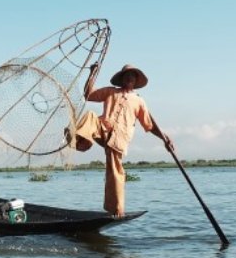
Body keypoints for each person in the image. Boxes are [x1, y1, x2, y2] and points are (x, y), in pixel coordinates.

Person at [67, 63, 172, 217]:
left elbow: (149, 125)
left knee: (115, 172)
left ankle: (117, 209)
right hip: (103, 129)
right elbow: (88, 94)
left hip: (119, 139)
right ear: (122, 79)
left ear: (135, 81)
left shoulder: (139, 101)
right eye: (126, 76)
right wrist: (92, 74)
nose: (129, 78)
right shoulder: (111, 92)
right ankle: (81, 142)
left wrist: (164, 138)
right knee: (90, 115)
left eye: (132, 76)